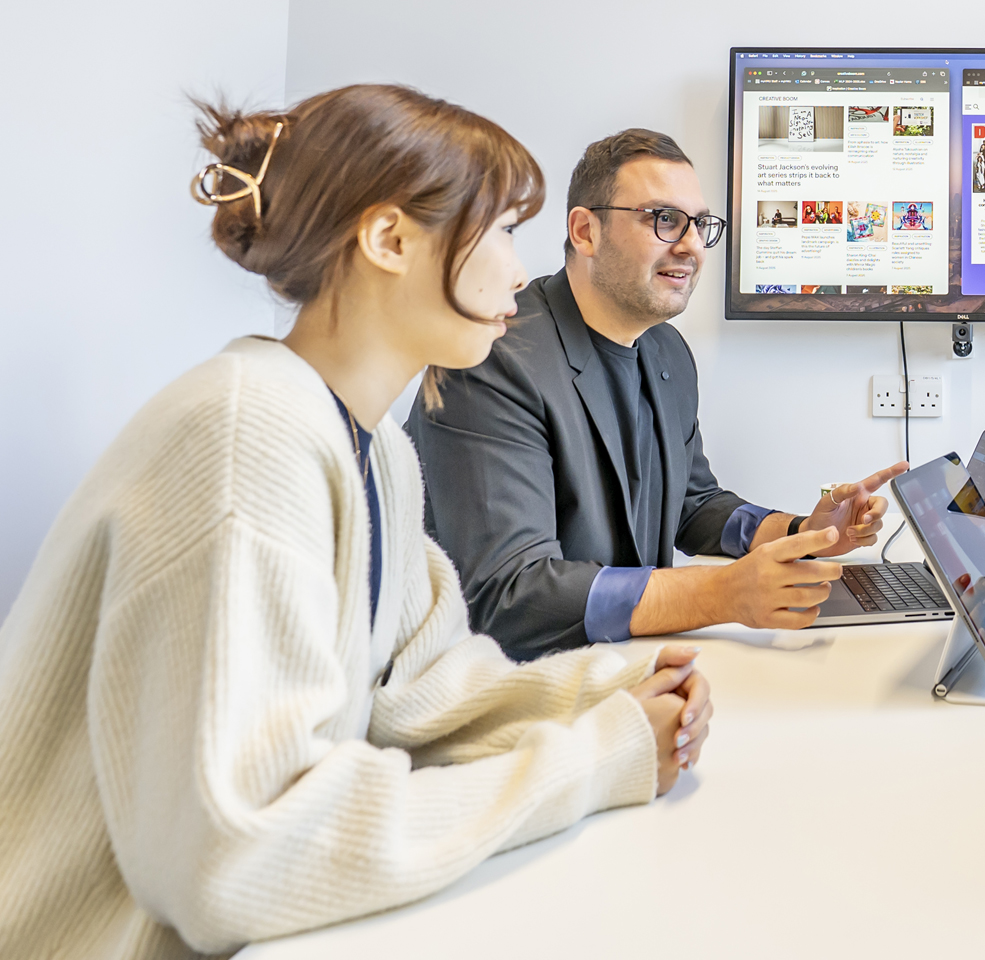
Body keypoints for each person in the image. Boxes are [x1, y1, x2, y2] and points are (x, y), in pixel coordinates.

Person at [0, 85, 712, 959]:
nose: (519, 273)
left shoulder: (374, 451)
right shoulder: (245, 433)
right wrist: (597, 758)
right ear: (387, 240)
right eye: (498, 232)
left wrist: (617, 690)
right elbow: (238, 859)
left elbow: (419, 693)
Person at [408, 129, 907, 659]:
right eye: (664, 219)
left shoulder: (666, 352)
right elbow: (510, 596)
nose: (691, 245)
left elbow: (693, 503)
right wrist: (722, 593)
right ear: (585, 231)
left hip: (625, 665)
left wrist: (802, 530)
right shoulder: (491, 361)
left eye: (700, 225)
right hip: (510, 688)